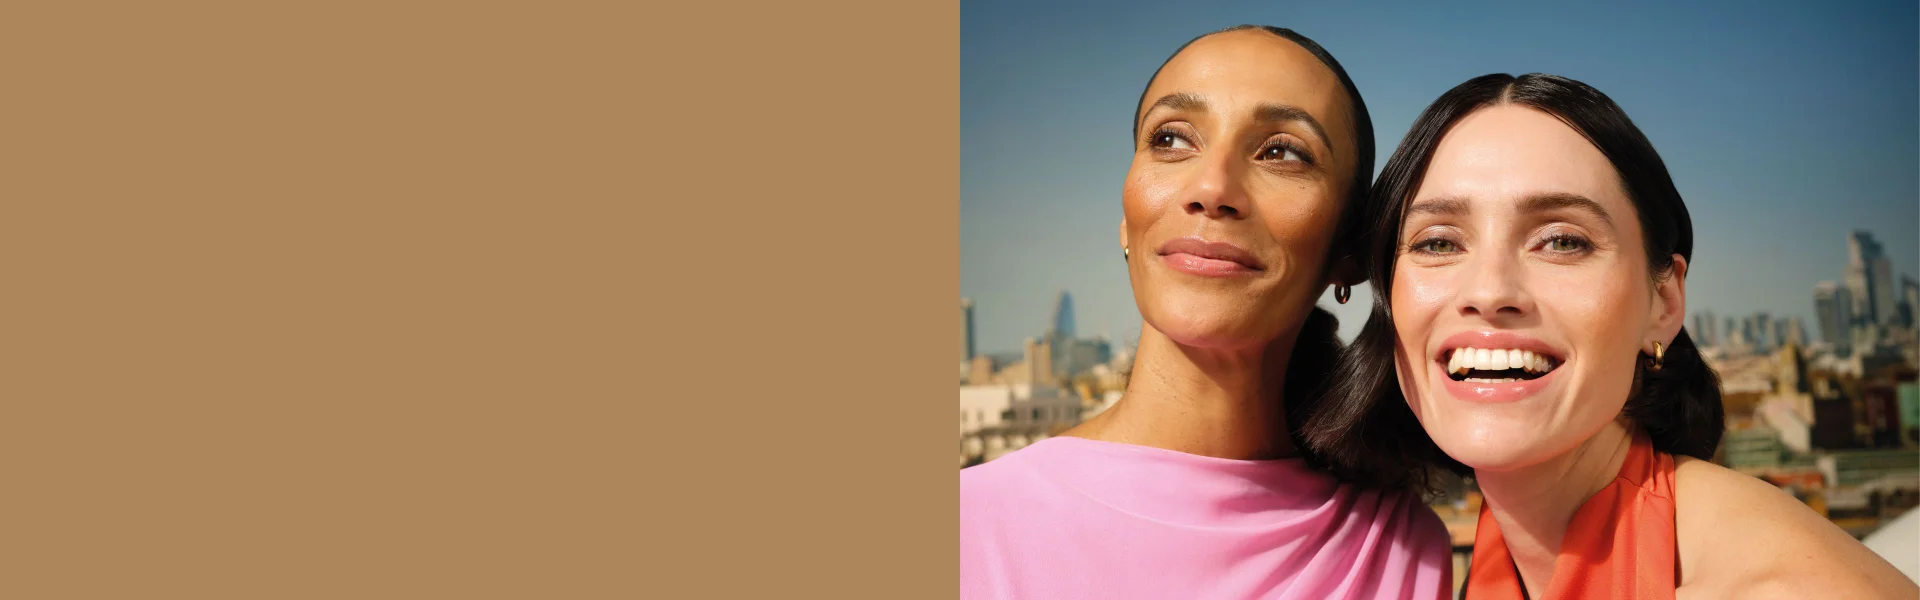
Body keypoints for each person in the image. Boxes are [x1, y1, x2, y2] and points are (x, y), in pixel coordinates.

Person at [1302, 72, 1919, 599]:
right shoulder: (1489, 560)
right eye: (1437, 243)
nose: (1488, 291)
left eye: (1562, 241)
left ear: (1663, 302)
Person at [960, 25, 1452, 600]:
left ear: (1348, 248)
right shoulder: (963, 529)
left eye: (1283, 152)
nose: (1211, 187)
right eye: (1171, 139)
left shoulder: (1405, 551)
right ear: (1127, 220)